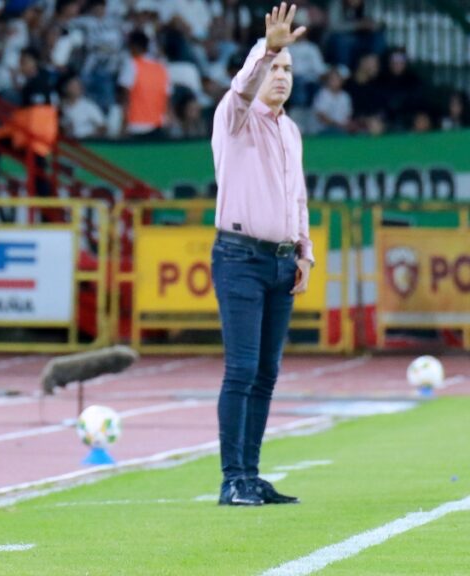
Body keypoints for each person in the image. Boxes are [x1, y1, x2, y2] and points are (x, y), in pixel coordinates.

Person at [210, 3, 313, 507]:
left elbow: (298, 198)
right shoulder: (234, 118)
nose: (281, 76)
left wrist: (305, 253)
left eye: (288, 69)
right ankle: (232, 479)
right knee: (243, 369)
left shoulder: (290, 131)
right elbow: (241, 87)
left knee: (267, 373)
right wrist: (268, 47)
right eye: (275, 67)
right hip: (239, 258)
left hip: (279, 260)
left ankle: (250, 475)